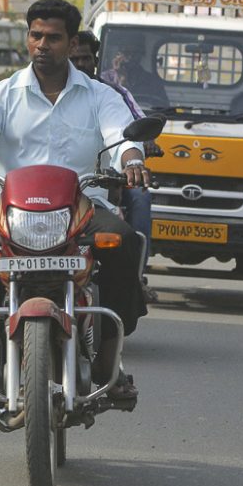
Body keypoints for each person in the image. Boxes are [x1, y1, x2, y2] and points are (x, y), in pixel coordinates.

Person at [0, 0, 149, 410]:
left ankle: (110, 361)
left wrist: (132, 160)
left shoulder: (100, 96)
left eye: (53, 37)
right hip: (15, 213)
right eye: (36, 35)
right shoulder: (1, 95)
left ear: (71, 44)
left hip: (83, 208)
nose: (42, 45)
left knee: (124, 241)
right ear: (27, 38)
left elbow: (121, 136)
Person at [72, 30, 159, 303]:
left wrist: (141, 150)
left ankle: (135, 278)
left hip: (107, 181)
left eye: (86, 59)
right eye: (73, 59)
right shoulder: (31, 91)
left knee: (140, 198)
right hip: (56, 186)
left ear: (96, 61)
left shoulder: (113, 94)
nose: (80, 65)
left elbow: (129, 129)